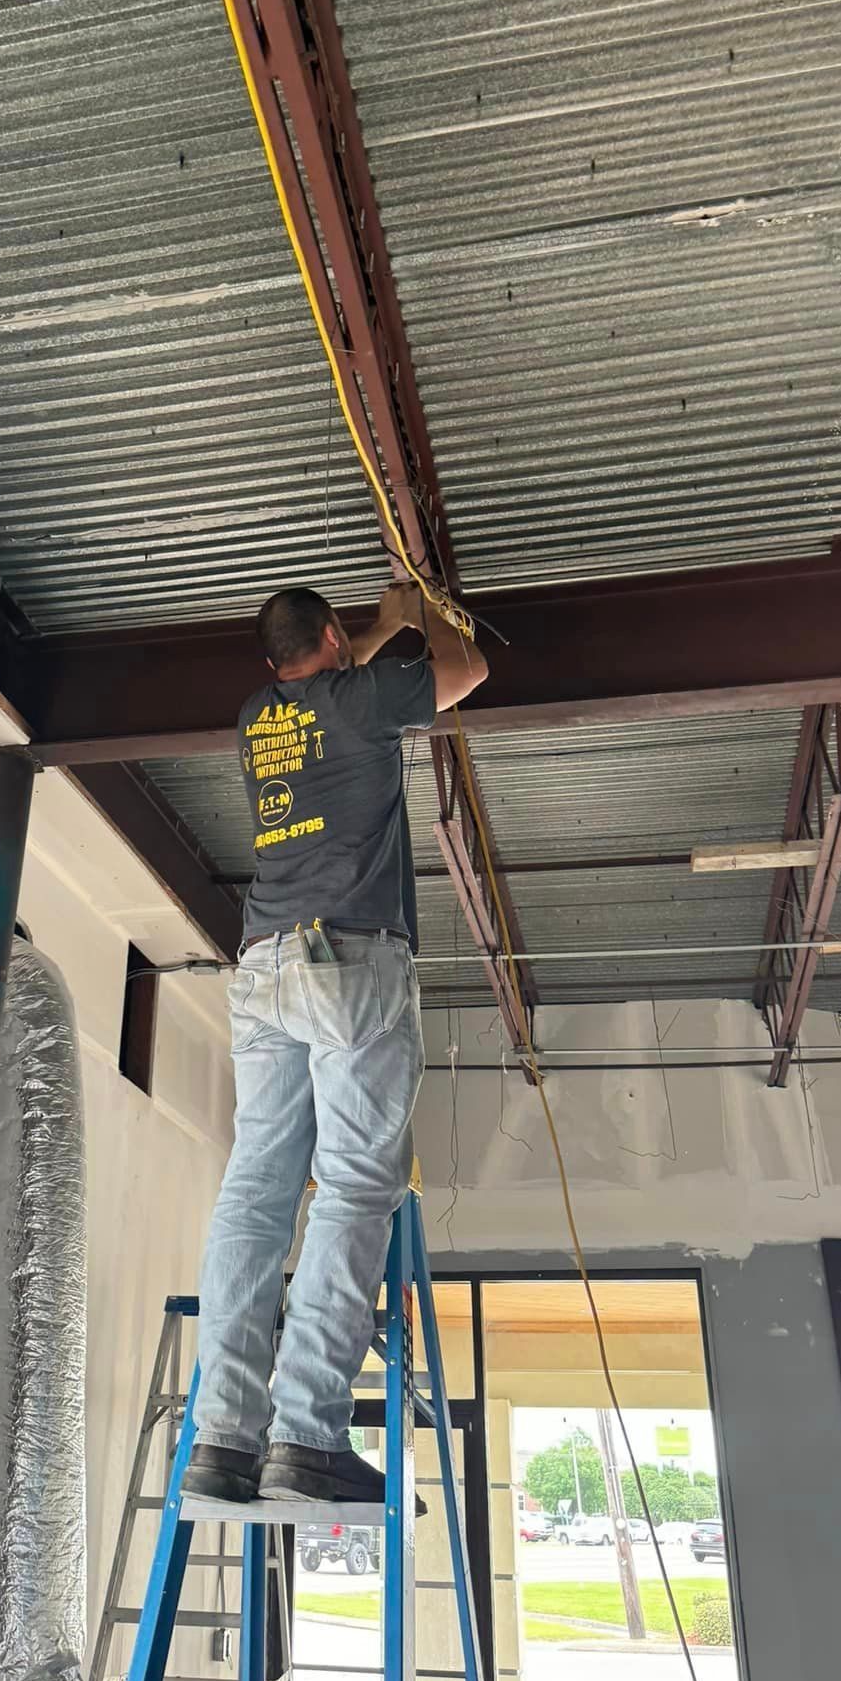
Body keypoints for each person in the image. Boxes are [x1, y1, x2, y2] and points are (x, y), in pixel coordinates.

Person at [181, 581, 488, 1506]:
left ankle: (224, 1441)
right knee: (354, 1186)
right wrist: (424, 610)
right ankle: (307, 1436)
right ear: (327, 636)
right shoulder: (358, 699)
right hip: (349, 957)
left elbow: (333, 673)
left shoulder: (257, 717)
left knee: (256, 1193)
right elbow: (468, 670)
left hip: (265, 964)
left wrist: (381, 623)